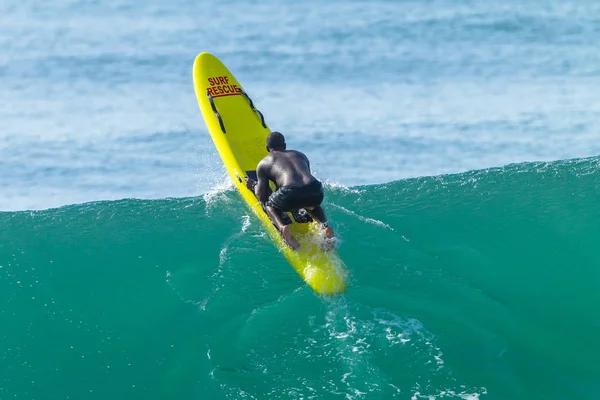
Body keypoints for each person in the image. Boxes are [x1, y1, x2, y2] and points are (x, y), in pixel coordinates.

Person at [244, 131, 334, 250]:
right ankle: (325, 226)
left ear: (267, 148)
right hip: (315, 189)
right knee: (313, 204)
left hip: (290, 193)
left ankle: (283, 228)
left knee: (269, 205)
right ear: (285, 145)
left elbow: (262, 196)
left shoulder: (264, 163)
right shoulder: (301, 155)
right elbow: (302, 183)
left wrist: (253, 185)